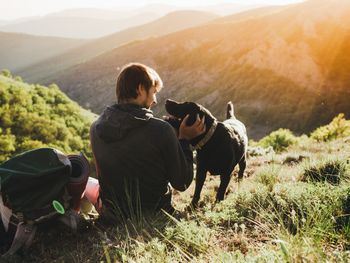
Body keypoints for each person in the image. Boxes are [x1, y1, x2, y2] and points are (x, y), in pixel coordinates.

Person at [89, 62, 205, 221]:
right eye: (154, 92)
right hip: (155, 214)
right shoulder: (160, 130)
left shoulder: (96, 128)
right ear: (140, 89)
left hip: (112, 215)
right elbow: (182, 183)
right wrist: (185, 140)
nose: (155, 100)